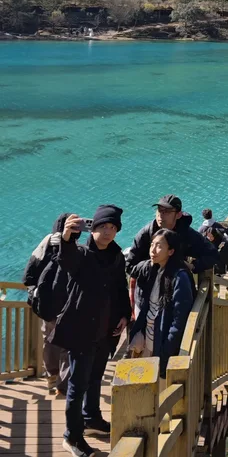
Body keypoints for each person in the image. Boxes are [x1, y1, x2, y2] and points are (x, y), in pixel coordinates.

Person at [52, 206, 131, 457]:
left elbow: (120, 288)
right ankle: (72, 436)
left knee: (96, 377)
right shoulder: (81, 254)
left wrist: (124, 314)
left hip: (105, 331)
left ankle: (91, 418)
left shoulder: (117, 256)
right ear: (93, 228)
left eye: (113, 228)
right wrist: (66, 238)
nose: (108, 232)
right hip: (82, 331)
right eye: (103, 226)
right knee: (78, 385)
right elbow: (65, 260)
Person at [127, 229, 195, 377]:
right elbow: (131, 270)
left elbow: (179, 320)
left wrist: (166, 351)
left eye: (159, 246)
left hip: (161, 344)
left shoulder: (179, 278)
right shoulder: (153, 269)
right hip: (147, 339)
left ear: (171, 251)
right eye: (152, 244)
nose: (153, 250)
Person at [23, 213, 73, 396]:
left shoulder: (42, 248)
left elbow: (28, 277)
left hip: (46, 306)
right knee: (67, 345)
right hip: (67, 305)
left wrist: (36, 294)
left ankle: (52, 376)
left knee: (50, 341)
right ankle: (62, 385)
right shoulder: (73, 250)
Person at [126, 195, 219, 277]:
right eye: (159, 210)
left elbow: (213, 254)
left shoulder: (185, 233)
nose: (161, 215)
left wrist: (193, 266)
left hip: (176, 283)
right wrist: (154, 266)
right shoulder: (145, 234)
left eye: (167, 211)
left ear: (178, 215)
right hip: (149, 284)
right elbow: (130, 266)